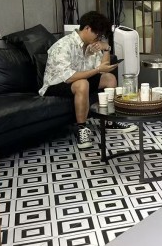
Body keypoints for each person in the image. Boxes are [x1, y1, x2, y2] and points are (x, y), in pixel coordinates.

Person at [39, 11, 137, 149]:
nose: (98, 38)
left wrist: (106, 48)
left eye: (101, 36)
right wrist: (97, 70)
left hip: (79, 79)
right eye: (97, 34)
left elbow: (103, 69)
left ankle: (109, 121)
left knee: (109, 79)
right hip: (55, 84)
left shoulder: (91, 45)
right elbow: (69, 77)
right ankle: (82, 129)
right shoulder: (63, 45)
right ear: (87, 28)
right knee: (82, 84)